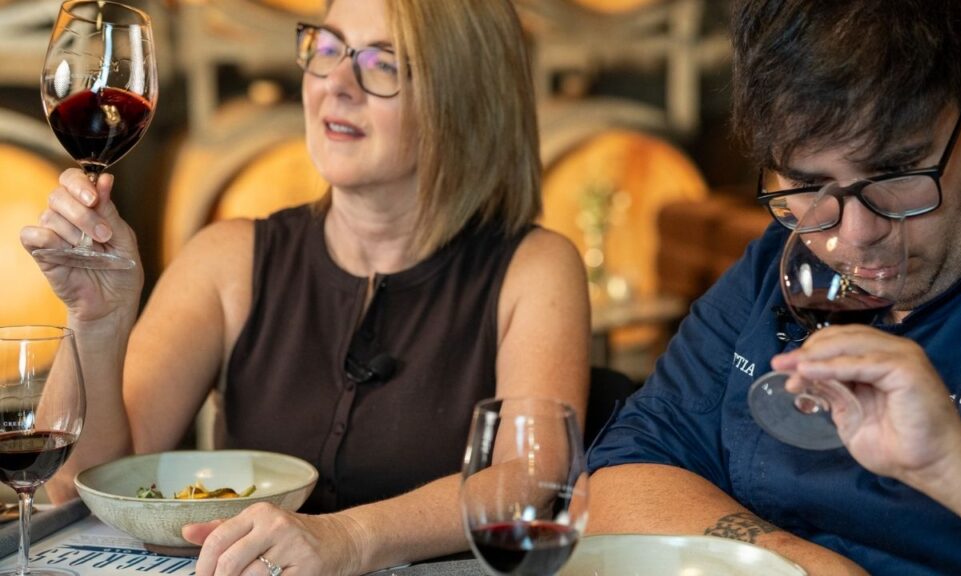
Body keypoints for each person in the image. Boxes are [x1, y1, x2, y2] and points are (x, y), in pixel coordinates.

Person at [21, 0, 590, 574]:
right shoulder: (226, 260)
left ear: (466, 98)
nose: (335, 84)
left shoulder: (535, 268)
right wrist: (95, 323)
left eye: (382, 63)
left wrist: (350, 537)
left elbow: (532, 479)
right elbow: (80, 489)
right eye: (326, 48)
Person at [585, 0, 961, 574]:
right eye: (810, 185)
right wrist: (799, 565)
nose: (856, 236)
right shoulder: (779, 265)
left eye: (896, 175)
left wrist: (955, 464)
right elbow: (622, 474)